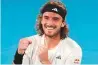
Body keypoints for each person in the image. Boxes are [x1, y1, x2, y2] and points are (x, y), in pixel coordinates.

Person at [13, 1, 82, 65]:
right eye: (46, 18)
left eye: (55, 19)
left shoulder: (73, 49)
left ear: (62, 23)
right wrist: (19, 54)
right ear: (41, 20)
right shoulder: (30, 42)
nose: (49, 23)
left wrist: (45, 61)